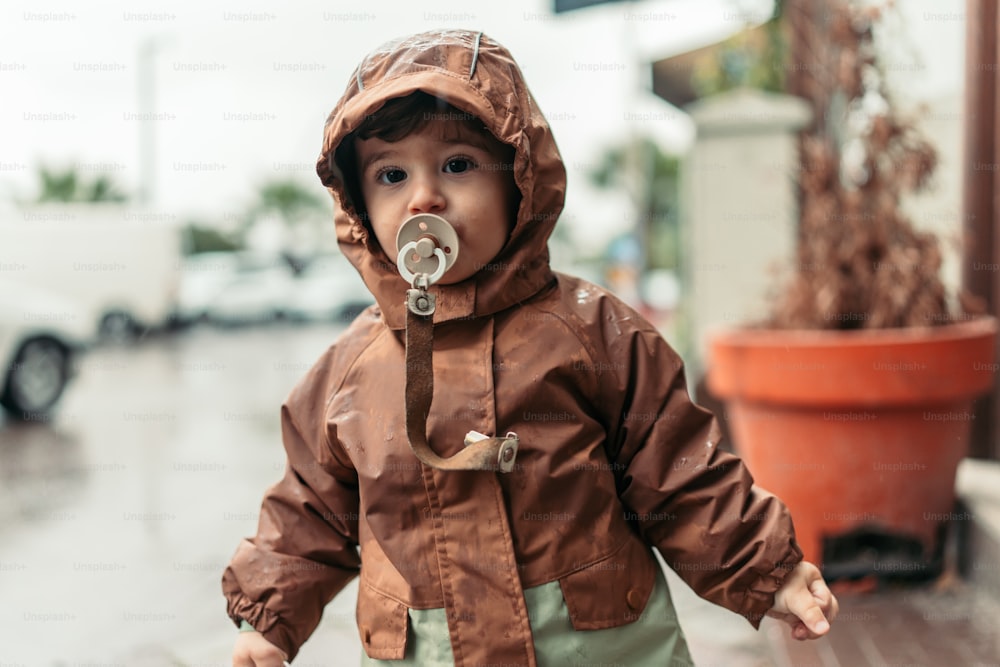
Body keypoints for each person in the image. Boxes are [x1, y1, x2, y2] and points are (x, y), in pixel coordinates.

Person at [223, 29, 838, 667]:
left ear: (521, 180)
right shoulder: (350, 369)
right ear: (358, 205)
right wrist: (269, 621)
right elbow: (307, 512)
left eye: (458, 164)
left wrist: (768, 570)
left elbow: (680, 472)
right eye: (391, 174)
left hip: (596, 642)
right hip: (426, 648)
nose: (423, 196)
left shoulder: (592, 330)